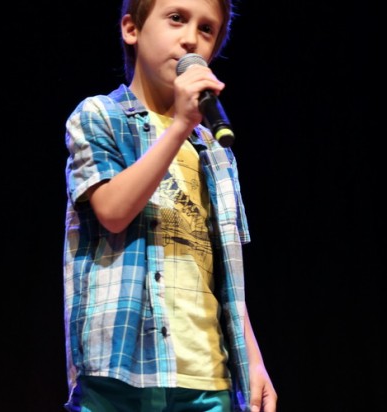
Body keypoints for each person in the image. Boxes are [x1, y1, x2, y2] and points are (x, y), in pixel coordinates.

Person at [62, 0, 277, 411]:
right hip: (121, 372)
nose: (190, 38)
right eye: (177, 18)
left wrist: (253, 359)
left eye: (206, 29)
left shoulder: (214, 150)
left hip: (206, 376)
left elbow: (225, 270)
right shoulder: (101, 115)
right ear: (132, 29)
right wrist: (179, 125)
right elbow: (113, 212)